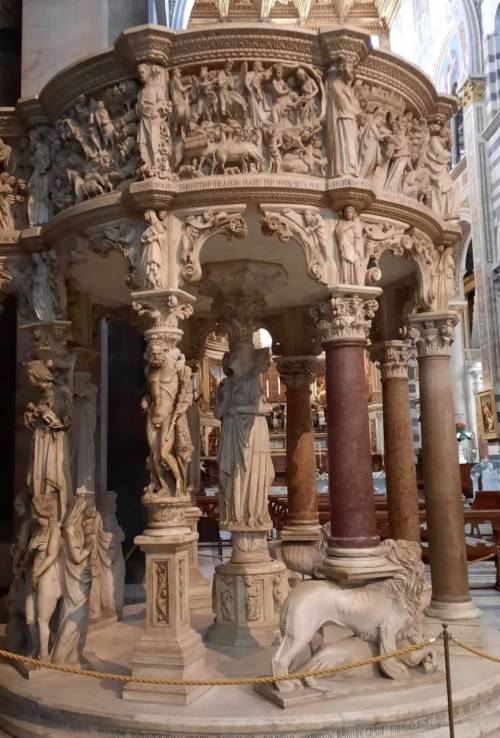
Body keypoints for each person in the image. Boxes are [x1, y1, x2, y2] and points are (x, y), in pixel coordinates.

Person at [215, 343, 274, 529]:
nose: (231, 361)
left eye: (235, 357)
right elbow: (218, 413)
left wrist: (237, 409)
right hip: (232, 432)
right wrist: (225, 398)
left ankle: (252, 514)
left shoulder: (252, 381)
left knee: (256, 473)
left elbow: (258, 407)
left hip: (253, 431)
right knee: (233, 474)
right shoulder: (227, 384)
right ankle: (237, 514)